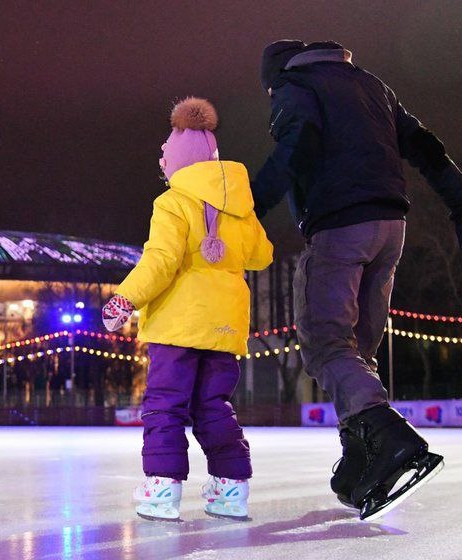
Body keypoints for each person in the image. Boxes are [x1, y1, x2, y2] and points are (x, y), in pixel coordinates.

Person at [252, 40, 462, 520]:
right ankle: (361, 461)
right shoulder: (372, 86)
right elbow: (425, 147)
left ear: (275, 76)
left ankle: (389, 438)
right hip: (390, 229)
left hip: (340, 226)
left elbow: (297, 145)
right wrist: (461, 204)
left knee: (325, 342)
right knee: (357, 352)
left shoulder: (295, 86)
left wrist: (249, 206)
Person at [102, 97, 273, 521]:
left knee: (165, 404)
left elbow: (160, 260)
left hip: (177, 326)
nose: (161, 162)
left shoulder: (172, 203)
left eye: (165, 156)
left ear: (178, 162)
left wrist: (126, 298)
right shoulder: (241, 206)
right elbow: (262, 255)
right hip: (223, 328)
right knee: (214, 405)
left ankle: (161, 489)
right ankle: (231, 490)